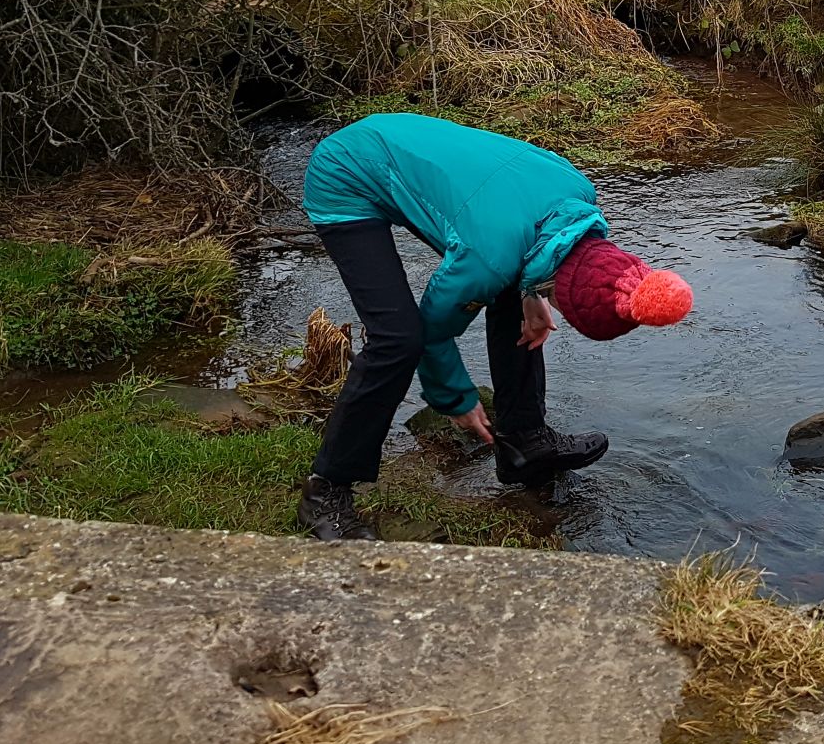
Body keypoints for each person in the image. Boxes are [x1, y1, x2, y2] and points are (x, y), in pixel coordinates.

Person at [296, 112, 694, 541]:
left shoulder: (578, 196)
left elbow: (540, 246)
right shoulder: (486, 257)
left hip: (425, 165)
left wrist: (532, 294)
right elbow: (435, 329)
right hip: (346, 172)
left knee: (508, 280)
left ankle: (525, 440)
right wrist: (454, 397)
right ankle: (326, 490)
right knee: (399, 338)